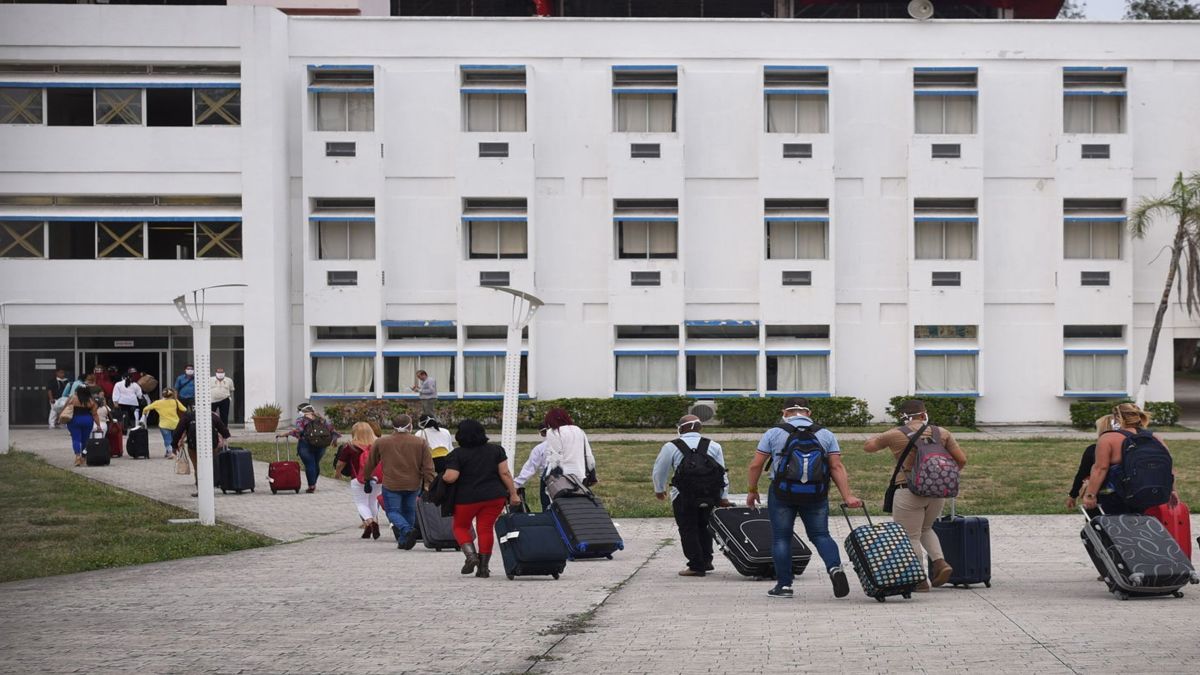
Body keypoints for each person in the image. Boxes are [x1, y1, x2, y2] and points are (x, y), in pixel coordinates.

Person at [746, 397, 862, 599]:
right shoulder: (825, 434)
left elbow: (755, 465)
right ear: (809, 413)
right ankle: (834, 568)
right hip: (816, 493)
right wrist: (848, 496)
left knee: (782, 537)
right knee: (821, 535)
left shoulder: (774, 432)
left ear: (785, 413)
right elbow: (836, 466)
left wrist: (752, 489)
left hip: (782, 492)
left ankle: (784, 586)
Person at [863, 399, 968, 591]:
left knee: (909, 535)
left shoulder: (895, 434)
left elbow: (868, 447)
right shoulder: (942, 433)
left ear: (903, 416)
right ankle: (940, 563)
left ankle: (919, 580)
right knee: (926, 528)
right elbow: (961, 460)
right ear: (923, 414)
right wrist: (940, 478)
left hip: (908, 490)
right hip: (937, 492)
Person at [652, 415, 730, 577]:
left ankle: (696, 565)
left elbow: (660, 470)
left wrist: (659, 489)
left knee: (688, 529)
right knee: (705, 527)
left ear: (681, 428)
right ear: (700, 428)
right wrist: (723, 496)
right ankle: (707, 561)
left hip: (683, 495)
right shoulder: (713, 445)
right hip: (710, 495)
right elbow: (722, 473)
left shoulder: (671, 446)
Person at [442, 419, 521, 578]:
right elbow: (505, 473)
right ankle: (484, 568)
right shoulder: (496, 450)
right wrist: (513, 494)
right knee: (485, 528)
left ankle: (471, 557)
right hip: (494, 497)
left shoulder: (457, 454)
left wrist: (441, 478)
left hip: (466, 499)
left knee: (461, 527)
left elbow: (451, 477)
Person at [1081, 403, 1179, 515]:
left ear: (1117, 418)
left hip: (1115, 496)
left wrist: (1090, 495)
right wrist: (1172, 490)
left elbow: (1100, 469)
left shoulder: (1108, 438)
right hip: (1147, 494)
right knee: (1140, 529)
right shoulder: (1154, 438)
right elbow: (1167, 467)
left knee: (1114, 530)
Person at [361, 414, 435, 549]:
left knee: (393, 511)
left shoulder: (381, 442)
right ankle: (403, 541)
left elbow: (370, 463)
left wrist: (366, 477)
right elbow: (428, 466)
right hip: (413, 484)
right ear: (410, 426)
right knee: (409, 511)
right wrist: (429, 483)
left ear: (392, 426)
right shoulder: (420, 442)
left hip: (391, 484)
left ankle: (406, 530)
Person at [335, 422, 383, 540]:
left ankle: (370, 522)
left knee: (361, 503)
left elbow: (341, 463)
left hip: (358, 478)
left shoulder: (350, 446)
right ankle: (373, 522)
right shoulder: (379, 444)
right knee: (372, 501)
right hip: (377, 478)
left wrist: (337, 473)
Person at [278, 403, 339, 493]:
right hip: (321, 446)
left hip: (305, 445)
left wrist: (286, 434)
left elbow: (299, 431)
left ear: (301, 411)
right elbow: (332, 430)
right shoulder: (321, 419)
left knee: (310, 464)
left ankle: (311, 485)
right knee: (315, 464)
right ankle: (313, 483)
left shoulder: (301, 420)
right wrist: (334, 440)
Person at [173, 408, 231, 497]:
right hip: (211, 446)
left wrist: (174, 445)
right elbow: (225, 432)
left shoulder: (188, 416)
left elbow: (178, 431)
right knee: (209, 466)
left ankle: (200, 490)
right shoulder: (212, 416)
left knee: (197, 468)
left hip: (194, 446)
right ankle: (210, 487)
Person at [1066, 415, 1111, 511]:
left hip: (1098, 493)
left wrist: (1073, 494)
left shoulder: (1093, 450)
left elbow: (1082, 473)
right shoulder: (1128, 448)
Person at [542, 408, 596, 485]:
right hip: (580, 475)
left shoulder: (553, 432)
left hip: (562, 476)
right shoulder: (579, 430)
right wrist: (592, 475)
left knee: (545, 492)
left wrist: (549, 477)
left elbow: (555, 458)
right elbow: (588, 455)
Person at [514, 425, 551, 510]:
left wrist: (516, 484)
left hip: (547, 482)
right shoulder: (569, 444)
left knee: (548, 509)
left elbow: (530, 468)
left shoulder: (540, 448)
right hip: (571, 480)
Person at [143, 388, 187, 459]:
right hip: (175, 423)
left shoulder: (157, 402)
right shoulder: (175, 401)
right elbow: (184, 409)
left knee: (167, 439)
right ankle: (172, 452)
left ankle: (170, 452)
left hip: (164, 424)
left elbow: (146, 408)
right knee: (174, 438)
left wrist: (144, 415)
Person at [65, 385, 100, 467]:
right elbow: (94, 414)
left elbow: (66, 408)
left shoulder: (73, 398)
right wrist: (98, 425)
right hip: (88, 420)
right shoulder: (91, 400)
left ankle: (77, 456)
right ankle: (84, 457)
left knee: (76, 438)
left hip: (75, 420)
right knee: (85, 440)